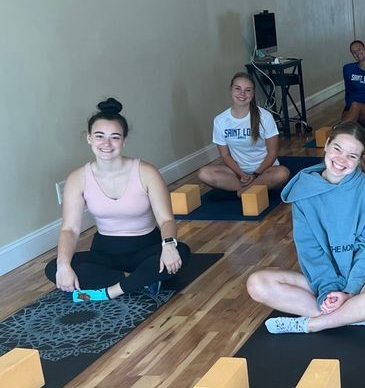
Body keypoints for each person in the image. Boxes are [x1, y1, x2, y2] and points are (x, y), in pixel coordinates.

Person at [246, 121, 365, 333]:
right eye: (337, 149)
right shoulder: (304, 191)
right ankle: (357, 315)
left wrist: (349, 291)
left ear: (359, 160)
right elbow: (309, 249)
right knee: (257, 283)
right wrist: (328, 290)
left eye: (352, 156)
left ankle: (311, 324)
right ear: (327, 144)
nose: (341, 160)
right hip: (322, 281)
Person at [46, 98, 191, 302]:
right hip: (105, 253)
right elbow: (70, 229)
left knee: (181, 251)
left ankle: (112, 290)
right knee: (53, 268)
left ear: (124, 140)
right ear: (89, 138)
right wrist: (63, 265)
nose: (106, 144)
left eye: (115, 137)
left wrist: (168, 245)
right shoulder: (77, 178)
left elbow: (166, 219)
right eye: (99, 136)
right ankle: (137, 281)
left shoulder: (146, 172)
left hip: (146, 248)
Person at [197, 72, 291, 194]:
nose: (242, 94)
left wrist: (256, 174)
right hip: (237, 172)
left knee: (282, 173)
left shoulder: (265, 117)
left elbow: (272, 153)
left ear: (252, 93)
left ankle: (245, 190)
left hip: (265, 170)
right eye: (238, 89)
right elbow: (225, 155)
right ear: (231, 89)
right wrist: (241, 174)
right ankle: (251, 189)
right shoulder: (220, 121)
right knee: (204, 173)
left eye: (248, 90)